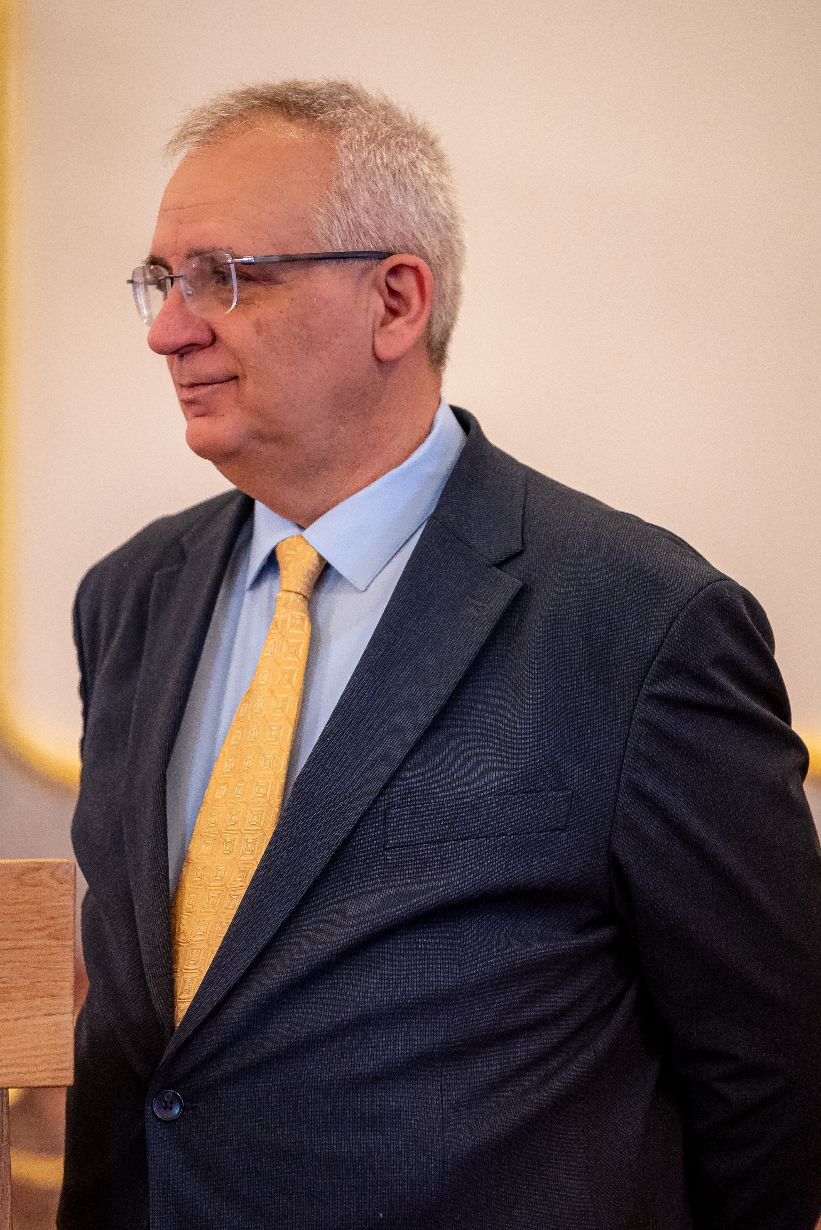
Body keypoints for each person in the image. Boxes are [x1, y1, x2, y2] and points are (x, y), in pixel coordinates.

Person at [58, 79, 821, 1230]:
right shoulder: (128, 598)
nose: (169, 329)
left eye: (222, 277)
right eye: (161, 281)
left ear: (395, 301)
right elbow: (151, 1056)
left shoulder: (642, 626)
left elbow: (767, 1085)